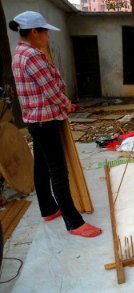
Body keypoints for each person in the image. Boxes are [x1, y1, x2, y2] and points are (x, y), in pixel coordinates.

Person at [9, 11, 101, 238]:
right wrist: (67, 104)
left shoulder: (20, 52)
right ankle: (74, 222)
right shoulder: (33, 56)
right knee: (59, 172)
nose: (47, 36)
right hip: (46, 120)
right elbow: (51, 90)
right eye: (45, 31)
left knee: (41, 167)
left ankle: (48, 209)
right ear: (34, 32)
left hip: (35, 120)